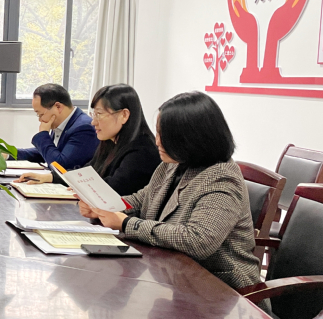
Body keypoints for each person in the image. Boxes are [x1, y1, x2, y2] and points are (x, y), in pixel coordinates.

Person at [78, 91, 261, 290]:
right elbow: (141, 199)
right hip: (174, 274)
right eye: (158, 133)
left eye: (166, 136)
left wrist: (127, 223)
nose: (157, 141)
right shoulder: (173, 163)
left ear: (193, 138)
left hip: (222, 289)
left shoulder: (221, 178)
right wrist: (103, 206)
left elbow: (198, 240)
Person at [16, 84, 161, 195]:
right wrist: (50, 177)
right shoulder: (111, 142)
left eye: (99, 114)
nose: (93, 122)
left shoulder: (142, 151)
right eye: (93, 114)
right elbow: (87, 172)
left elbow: (112, 189)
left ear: (124, 115)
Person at [14, 83, 99, 169]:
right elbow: (48, 152)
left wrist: (43, 134)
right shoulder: (62, 122)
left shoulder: (83, 128)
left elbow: (60, 166)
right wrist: (10, 154)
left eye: (41, 114)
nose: (40, 120)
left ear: (58, 107)